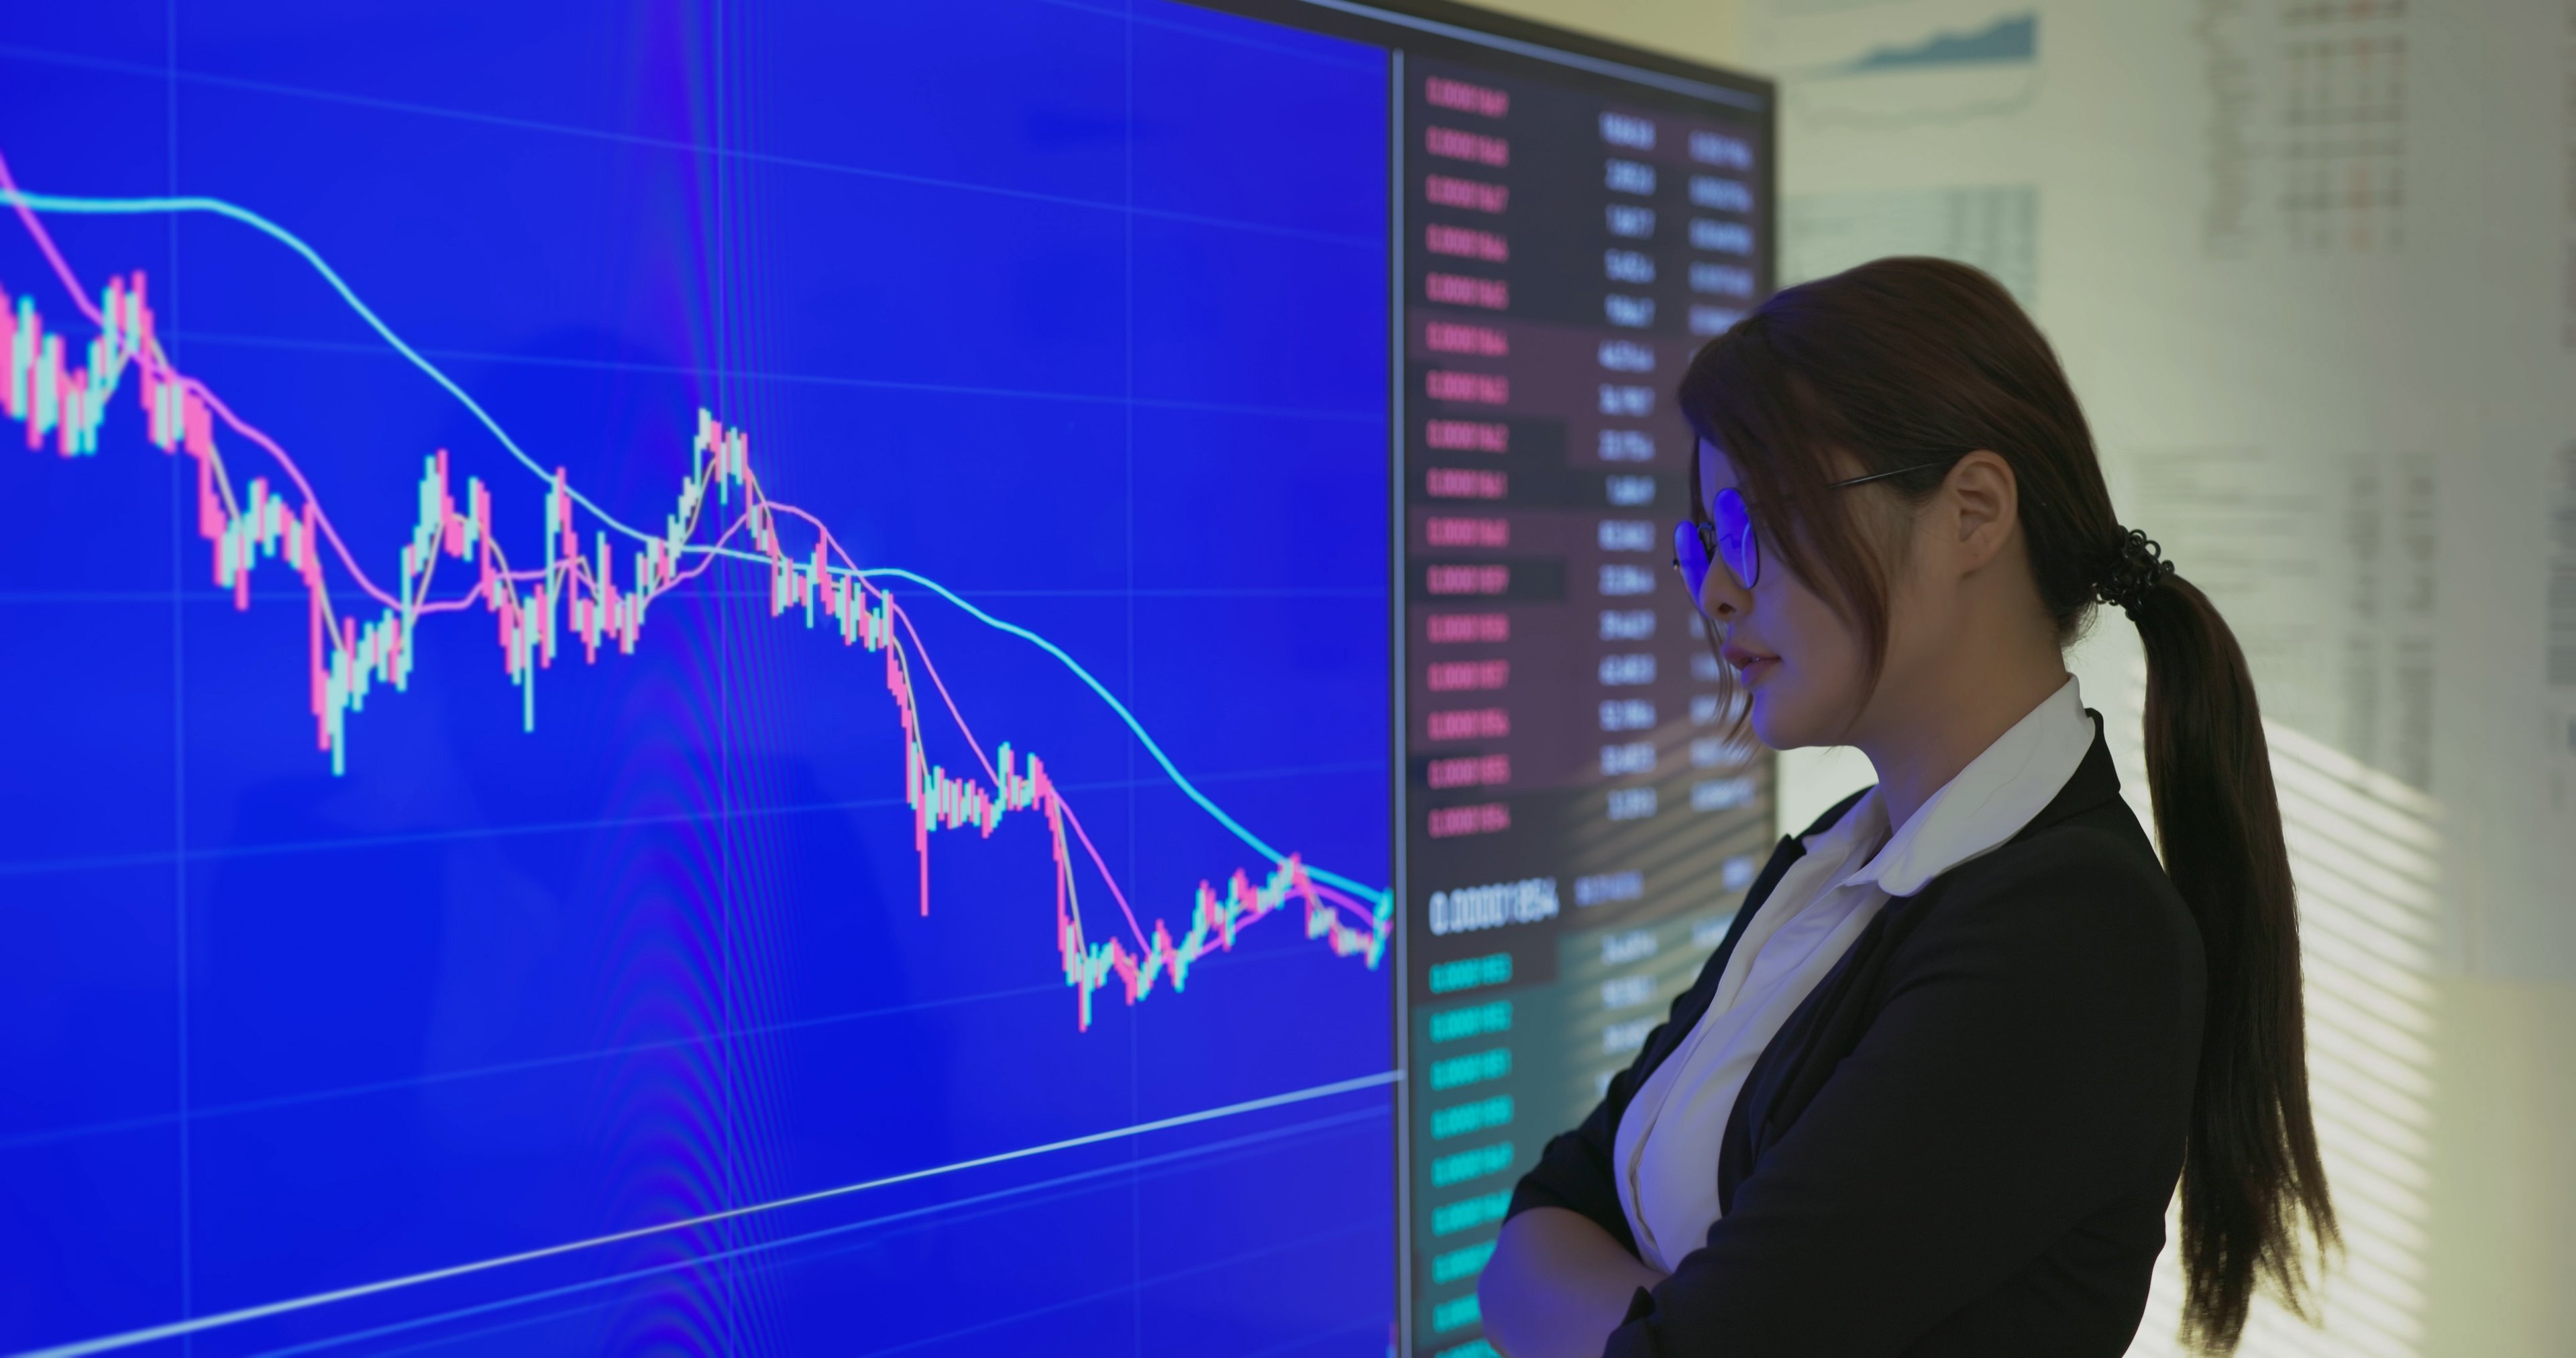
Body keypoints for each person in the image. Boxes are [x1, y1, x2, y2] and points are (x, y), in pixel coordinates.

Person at [1475, 258, 2337, 1357]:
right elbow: (1542, 1221)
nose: (1718, 592)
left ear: (1972, 514)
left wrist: (1628, 1311)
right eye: (1705, 541)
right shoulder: (1843, 858)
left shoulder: (2074, 936)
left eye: (1755, 524)